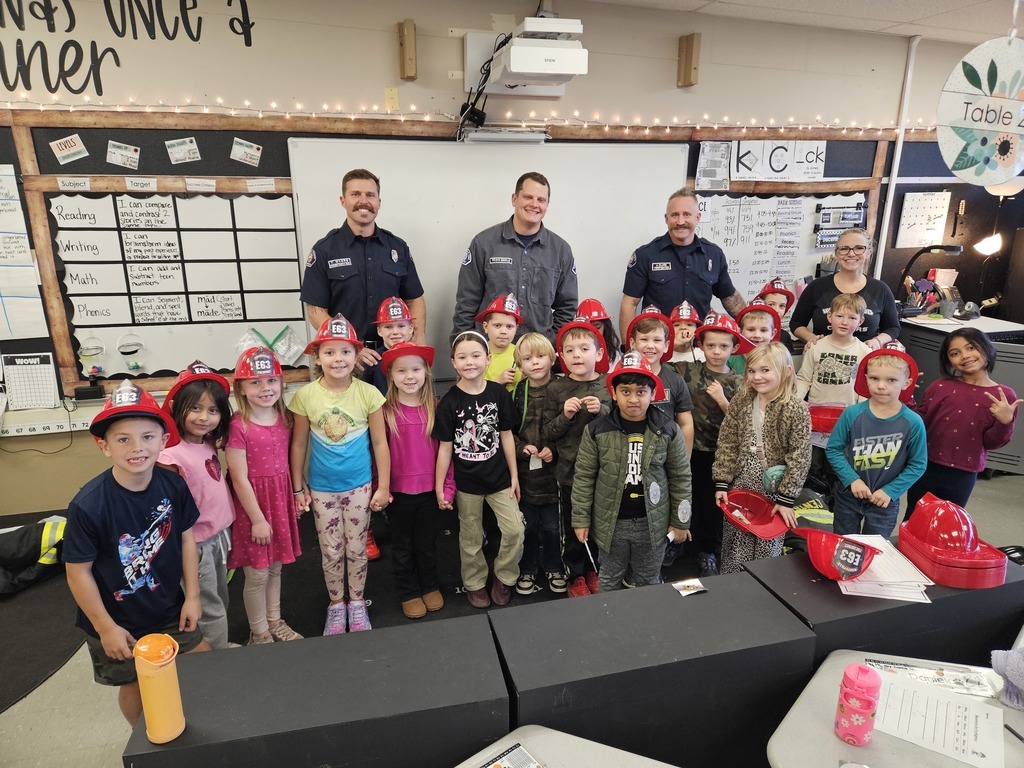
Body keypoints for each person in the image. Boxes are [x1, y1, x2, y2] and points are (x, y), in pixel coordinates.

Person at [64, 381, 211, 726]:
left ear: (163, 441)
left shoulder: (173, 485)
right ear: (104, 446)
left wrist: (192, 596)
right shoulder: (89, 506)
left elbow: (188, 540)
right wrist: (106, 628)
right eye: (123, 439)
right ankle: (143, 743)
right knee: (134, 684)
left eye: (147, 437)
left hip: (168, 607)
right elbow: (77, 572)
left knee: (204, 663)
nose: (137, 448)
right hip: (115, 620)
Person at [289, 315, 391, 635]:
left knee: (357, 547)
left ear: (356, 355)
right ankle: (337, 604)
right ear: (317, 357)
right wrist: (297, 488)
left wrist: (383, 485)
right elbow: (299, 444)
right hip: (322, 489)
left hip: (360, 486)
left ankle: (357, 602)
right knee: (331, 548)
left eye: (345, 351)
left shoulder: (368, 394)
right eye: (330, 352)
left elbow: (379, 442)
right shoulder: (305, 396)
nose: (338, 359)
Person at [572, 352, 692, 592]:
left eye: (641, 392)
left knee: (649, 580)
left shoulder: (668, 429)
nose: (633, 399)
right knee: (609, 577)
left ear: (652, 394)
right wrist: (581, 519)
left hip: (652, 524)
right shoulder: (596, 431)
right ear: (614, 394)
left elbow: (681, 478)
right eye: (625, 391)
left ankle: (647, 625)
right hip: (610, 523)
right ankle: (611, 623)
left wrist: (681, 521)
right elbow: (584, 478)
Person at [433, 331, 524, 609]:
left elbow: (506, 435)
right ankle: (473, 582)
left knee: (514, 531)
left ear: (487, 359)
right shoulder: (449, 402)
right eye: (462, 357)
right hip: (466, 484)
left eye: (475, 356)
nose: (469, 362)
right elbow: (445, 448)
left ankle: (504, 576)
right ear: (453, 363)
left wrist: (514, 475)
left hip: (499, 480)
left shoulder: (498, 394)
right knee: (470, 538)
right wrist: (440, 487)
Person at [300, 168, 426, 367]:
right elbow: (316, 311)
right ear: (343, 201)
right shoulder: (325, 250)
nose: (363, 200)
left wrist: (417, 337)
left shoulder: (397, 247)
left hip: (392, 356)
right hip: (346, 361)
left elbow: (414, 298)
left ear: (379, 202)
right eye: (355, 194)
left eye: (370, 195)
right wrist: (352, 347)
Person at [226, 347, 303, 645]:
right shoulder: (238, 425)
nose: (265, 388)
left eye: (271, 380)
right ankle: (259, 632)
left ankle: (275, 621)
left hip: (279, 500)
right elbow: (239, 477)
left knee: (275, 567)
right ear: (241, 389)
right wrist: (258, 519)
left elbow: (290, 461)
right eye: (255, 382)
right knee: (257, 573)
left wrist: (296, 493)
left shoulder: (285, 418)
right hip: (253, 507)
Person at [157, 361, 236, 649]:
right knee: (207, 606)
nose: (204, 418)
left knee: (219, 596)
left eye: (213, 410)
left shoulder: (205, 442)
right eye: (195, 409)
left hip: (217, 538)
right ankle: (213, 663)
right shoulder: (169, 457)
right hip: (196, 544)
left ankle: (218, 648)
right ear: (177, 407)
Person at [713, 342, 811, 574]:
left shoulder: (796, 409)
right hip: (740, 484)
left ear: (786, 371)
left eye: (765, 370)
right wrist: (722, 481)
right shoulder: (742, 400)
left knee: (768, 544)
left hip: (774, 489)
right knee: (736, 540)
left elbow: (800, 456)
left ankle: (763, 590)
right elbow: (728, 441)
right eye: (752, 370)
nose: (757, 377)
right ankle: (732, 586)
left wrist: (786, 499)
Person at [452, 172, 578, 344]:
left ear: (547, 204)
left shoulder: (561, 250)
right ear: (514, 199)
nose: (534, 205)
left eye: (541, 200)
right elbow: (467, 302)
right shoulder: (484, 243)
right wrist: (465, 345)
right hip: (491, 352)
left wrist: (551, 343)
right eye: (528, 197)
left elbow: (567, 307)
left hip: (538, 356)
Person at [906, 328, 1022, 514]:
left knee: (950, 518)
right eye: (955, 353)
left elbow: (992, 442)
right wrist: (906, 398)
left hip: (964, 472)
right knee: (915, 513)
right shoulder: (941, 386)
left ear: (986, 348)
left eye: (971, 348)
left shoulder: (1004, 395)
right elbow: (919, 424)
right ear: (948, 361)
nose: (965, 356)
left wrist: (1005, 422)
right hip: (925, 464)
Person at [673, 312, 751, 576]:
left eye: (724, 346)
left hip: (720, 454)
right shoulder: (687, 370)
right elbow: (660, 363)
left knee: (713, 504)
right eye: (710, 345)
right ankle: (680, 542)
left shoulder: (740, 383)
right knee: (685, 496)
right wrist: (681, 342)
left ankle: (708, 549)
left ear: (734, 348)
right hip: (689, 449)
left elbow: (744, 422)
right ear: (700, 346)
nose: (716, 352)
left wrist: (721, 400)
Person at [380, 341, 454, 619]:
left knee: (427, 544)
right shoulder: (385, 412)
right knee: (402, 545)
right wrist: (380, 488)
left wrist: (447, 488)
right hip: (398, 493)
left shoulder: (437, 408)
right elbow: (377, 453)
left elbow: (448, 453)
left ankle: (429, 585)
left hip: (430, 493)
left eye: (415, 369)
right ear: (391, 376)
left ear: (426, 373)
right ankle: (408, 591)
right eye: (401, 371)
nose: (409, 376)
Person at [620, 187, 746, 342]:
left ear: (698, 217)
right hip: (658, 346)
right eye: (674, 215)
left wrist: (753, 326)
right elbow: (630, 303)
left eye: (686, 214)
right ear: (666, 219)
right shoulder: (645, 255)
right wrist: (628, 347)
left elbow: (729, 297)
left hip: (700, 346)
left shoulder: (714, 255)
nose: (680, 222)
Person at [826, 346, 927, 537]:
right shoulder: (852, 414)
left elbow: (918, 464)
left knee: (877, 549)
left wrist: (891, 491)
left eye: (891, 380)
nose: (881, 386)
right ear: (865, 379)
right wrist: (852, 480)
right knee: (844, 543)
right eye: (874, 378)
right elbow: (834, 450)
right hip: (849, 494)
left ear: (906, 383)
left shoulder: (913, 422)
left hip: (885, 500)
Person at [542, 320, 611, 597]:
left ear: (598, 354)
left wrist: (603, 411)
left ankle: (596, 569)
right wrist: (566, 416)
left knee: (600, 522)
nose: (577, 355)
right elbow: (547, 432)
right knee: (573, 525)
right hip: (569, 472)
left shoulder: (608, 384)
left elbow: (622, 424)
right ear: (561, 357)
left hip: (604, 471)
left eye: (584, 348)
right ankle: (576, 574)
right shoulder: (556, 389)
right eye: (569, 350)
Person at [795, 293, 872, 497]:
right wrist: (796, 401)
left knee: (838, 468)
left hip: (846, 422)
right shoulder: (816, 347)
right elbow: (804, 378)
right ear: (829, 317)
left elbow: (865, 388)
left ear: (861, 321)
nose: (844, 322)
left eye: (852, 318)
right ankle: (812, 506)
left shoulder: (864, 351)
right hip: (815, 420)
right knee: (813, 466)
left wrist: (861, 413)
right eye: (839, 316)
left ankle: (835, 510)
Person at [510, 333, 563, 595]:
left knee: (553, 527)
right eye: (527, 359)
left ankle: (555, 566)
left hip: (555, 472)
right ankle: (528, 569)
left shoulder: (562, 388)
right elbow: (510, 429)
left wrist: (553, 449)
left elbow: (571, 431)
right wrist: (521, 448)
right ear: (519, 364)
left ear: (552, 358)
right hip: (526, 472)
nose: (535, 363)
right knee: (527, 526)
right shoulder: (519, 391)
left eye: (541, 356)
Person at [789, 228, 900, 350]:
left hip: (865, 359)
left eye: (859, 248)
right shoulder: (816, 287)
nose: (851, 254)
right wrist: (811, 338)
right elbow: (796, 324)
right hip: (823, 357)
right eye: (844, 248)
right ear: (837, 254)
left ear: (868, 252)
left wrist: (878, 341)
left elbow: (893, 328)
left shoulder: (880, 290)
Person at [625, 306, 695, 455]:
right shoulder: (621, 379)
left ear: (666, 345)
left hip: (666, 456)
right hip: (629, 454)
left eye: (657, 340)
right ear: (632, 343)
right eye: (644, 339)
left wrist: (684, 461)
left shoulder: (676, 380)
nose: (650, 345)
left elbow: (686, 423)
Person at [361, 296, 417, 395]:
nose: (395, 332)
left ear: (411, 328)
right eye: (388, 327)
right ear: (379, 331)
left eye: (401, 326)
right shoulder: (372, 361)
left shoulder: (418, 358)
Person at [478, 293, 524, 390]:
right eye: (497, 325)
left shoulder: (522, 354)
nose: (503, 331)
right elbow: (471, 390)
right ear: (486, 327)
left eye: (509, 326)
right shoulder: (476, 355)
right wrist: (497, 382)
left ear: (516, 328)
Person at [729, 299, 781, 376]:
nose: (757, 335)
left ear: (773, 334)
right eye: (751, 329)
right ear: (740, 331)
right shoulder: (730, 360)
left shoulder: (779, 359)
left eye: (763, 330)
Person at [577, 298, 622, 372]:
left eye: (597, 327)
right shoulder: (574, 353)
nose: (593, 332)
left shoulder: (613, 354)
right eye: (587, 328)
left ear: (606, 327)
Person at [756, 277, 796, 353]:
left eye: (782, 306)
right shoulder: (751, 333)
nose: (776, 310)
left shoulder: (785, 336)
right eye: (771, 304)